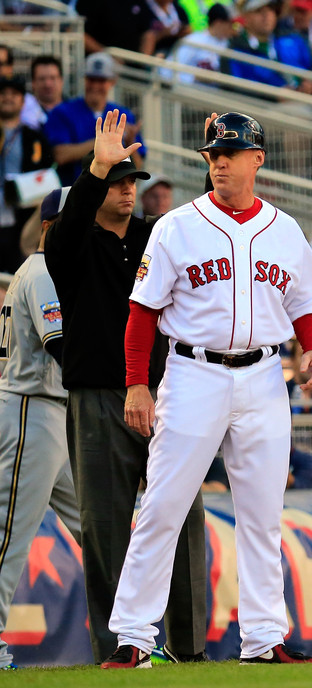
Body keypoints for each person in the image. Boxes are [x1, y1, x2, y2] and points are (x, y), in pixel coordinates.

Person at [102, 111, 312, 667]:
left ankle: (264, 639)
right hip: (193, 373)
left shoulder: (284, 227)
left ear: (258, 159)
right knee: (163, 505)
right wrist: (137, 383)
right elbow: (142, 313)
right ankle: (132, 635)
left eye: (231, 152)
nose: (220, 161)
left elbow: (308, 298)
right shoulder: (177, 224)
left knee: (262, 513)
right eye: (213, 153)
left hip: (264, 376)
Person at [42, 113, 206, 665]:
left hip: (168, 394)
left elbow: (213, 232)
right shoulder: (74, 245)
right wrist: (95, 168)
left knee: (184, 521)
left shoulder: (157, 237)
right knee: (106, 527)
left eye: (132, 181)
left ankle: (189, 650)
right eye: (118, 182)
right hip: (97, 399)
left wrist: (217, 161)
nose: (129, 190)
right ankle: (118, 649)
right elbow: (60, 236)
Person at [0, 188, 82, 671]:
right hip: (31, 408)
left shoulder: (53, 269)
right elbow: (62, 348)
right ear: (52, 226)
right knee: (9, 534)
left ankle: (132, 635)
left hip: (53, 413)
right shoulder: (45, 269)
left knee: (102, 529)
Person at [45, 52, 145, 186]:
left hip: (112, 193)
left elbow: (137, 167)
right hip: (73, 193)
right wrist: (105, 140)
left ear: (112, 82)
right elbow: (60, 155)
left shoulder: (123, 114)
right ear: (84, 79)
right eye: (91, 79)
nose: (95, 86)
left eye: (101, 80)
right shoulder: (63, 111)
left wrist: (129, 141)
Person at [0, 76, 54, 274]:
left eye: (14, 95)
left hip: (20, 214)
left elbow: (45, 173)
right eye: (3, 94)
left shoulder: (34, 137)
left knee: (17, 272)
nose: (8, 98)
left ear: (23, 102)